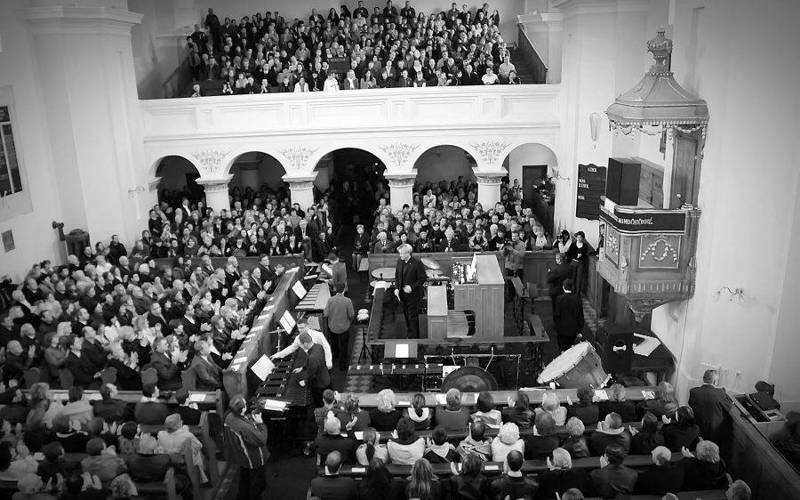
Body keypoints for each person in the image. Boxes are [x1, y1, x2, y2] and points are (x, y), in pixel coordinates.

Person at [223, 395, 269, 500]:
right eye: (245, 404)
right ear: (243, 409)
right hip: (253, 458)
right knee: (258, 485)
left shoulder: (229, 416)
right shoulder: (244, 428)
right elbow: (261, 440)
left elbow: (242, 419)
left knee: (245, 482)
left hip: (241, 457)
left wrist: (252, 414)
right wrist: (260, 423)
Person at [688, 369, 731, 445]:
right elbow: (728, 407)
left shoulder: (693, 392)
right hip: (714, 431)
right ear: (715, 382)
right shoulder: (720, 393)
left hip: (698, 428)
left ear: (703, 379)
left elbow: (691, 404)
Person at [393, 244, 427, 339]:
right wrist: (396, 288)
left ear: (408, 253)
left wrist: (412, 287)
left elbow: (423, 278)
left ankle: (414, 337)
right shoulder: (400, 261)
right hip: (402, 294)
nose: (400, 256)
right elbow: (397, 276)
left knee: (413, 317)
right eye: (399, 254)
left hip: (414, 295)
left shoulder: (417, 263)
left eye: (402, 254)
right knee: (406, 315)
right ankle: (410, 332)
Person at [293, 331, 331, 409]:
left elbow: (311, 374)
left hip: (319, 385)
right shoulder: (318, 346)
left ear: (305, 344)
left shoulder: (312, 358)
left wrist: (304, 381)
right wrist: (302, 368)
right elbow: (310, 361)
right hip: (326, 377)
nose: (301, 346)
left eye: (301, 344)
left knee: (320, 405)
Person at [323, 283, 354, 370]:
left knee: (334, 343)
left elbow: (325, 314)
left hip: (332, 327)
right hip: (344, 328)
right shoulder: (348, 301)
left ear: (335, 290)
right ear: (344, 290)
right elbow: (351, 315)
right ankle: (343, 365)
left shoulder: (330, 300)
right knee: (344, 345)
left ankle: (335, 356)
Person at [554, 278, 583, 351]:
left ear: (563, 287)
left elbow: (557, 315)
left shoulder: (559, 299)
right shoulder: (577, 299)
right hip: (573, 330)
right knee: (571, 349)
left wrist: (557, 327)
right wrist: (579, 331)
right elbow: (580, 316)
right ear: (572, 287)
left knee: (562, 348)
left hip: (562, 330)